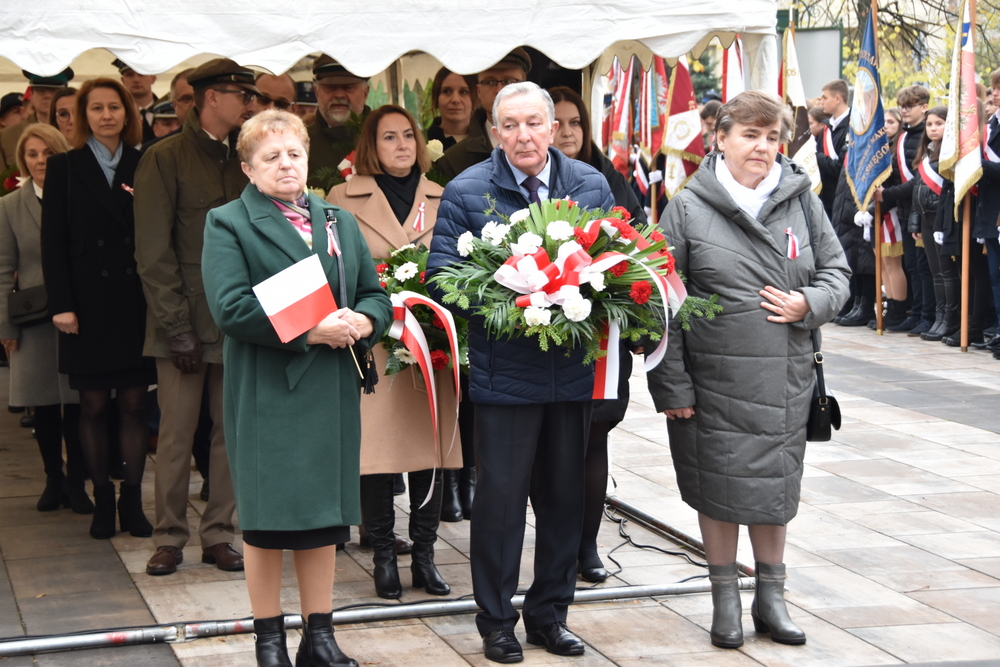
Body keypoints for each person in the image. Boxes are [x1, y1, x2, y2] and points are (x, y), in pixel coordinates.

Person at [647, 90, 850, 650]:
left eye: (772, 137)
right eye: (750, 135)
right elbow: (657, 304)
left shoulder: (800, 199)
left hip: (784, 378)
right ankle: (725, 601)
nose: (762, 148)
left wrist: (808, 302)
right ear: (722, 138)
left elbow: (838, 273)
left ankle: (771, 597)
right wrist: (672, 385)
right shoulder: (687, 208)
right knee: (719, 489)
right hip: (712, 383)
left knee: (774, 489)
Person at [427, 81, 614, 664]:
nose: (523, 135)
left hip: (571, 374)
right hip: (503, 375)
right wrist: (518, 304)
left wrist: (575, 297)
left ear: (555, 128)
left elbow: (616, 264)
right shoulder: (467, 190)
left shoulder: (589, 184)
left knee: (564, 501)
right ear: (495, 132)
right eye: (510, 125)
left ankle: (550, 614)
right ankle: (497, 621)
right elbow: (441, 279)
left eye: (534, 123)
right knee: (501, 506)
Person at [203, 108, 392, 667]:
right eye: (271, 157)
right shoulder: (228, 222)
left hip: (331, 392)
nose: (285, 164)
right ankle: (269, 640)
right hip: (267, 392)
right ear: (248, 167)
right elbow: (230, 308)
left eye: (294, 154)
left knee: (322, 521)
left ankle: (321, 637)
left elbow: (372, 294)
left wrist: (365, 321)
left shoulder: (338, 219)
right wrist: (311, 331)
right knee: (266, 522)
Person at [327, 105, 461, 599]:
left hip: (431, 344)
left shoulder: (443, 196)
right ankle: (384, 556)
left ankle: (424, 558)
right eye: (389, 137)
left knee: (430, 453)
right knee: (377, 456)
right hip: (376, 344)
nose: (402, 145)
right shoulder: (342, 197)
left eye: (409, 135)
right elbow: (335, 270)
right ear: (371, 145)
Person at [134, 58, 256, 576]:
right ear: (212, 97)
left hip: (236, 320)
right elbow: (152, 253)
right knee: (177, 436)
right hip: (181, 323)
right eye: (241, 96)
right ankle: (169, 537)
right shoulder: (166, 158)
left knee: (230, 433)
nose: (249, 105)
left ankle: (219, 533)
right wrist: (175, 326)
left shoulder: (246, 160)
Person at [40, 78, 157, 540]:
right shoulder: (64, 166)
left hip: (133, 303)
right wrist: (62, 305)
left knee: (133, 402)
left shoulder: (143, 161)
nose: (106, 115)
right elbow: (53, 244)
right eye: (96, 108)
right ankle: (102, 501)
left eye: (114, 107)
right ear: (81, 116)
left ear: (128, 114)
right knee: (90, 404)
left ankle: (132, 499)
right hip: (85, 306)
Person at [548, 85, 645, 584]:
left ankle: (587, 546)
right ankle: (553, 545)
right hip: (540, 342)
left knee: (592, 441)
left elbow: (638, 249)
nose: (565, 133)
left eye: (573, 123)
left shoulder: (608, 180)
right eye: (556, 122)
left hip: (599, 342)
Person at [0, 124, 92, 515]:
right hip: (33, 321)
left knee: (79, 405)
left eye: (47, 153)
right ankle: (53, 478)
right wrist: (5, 328)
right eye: (32, 154)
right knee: (43, 406)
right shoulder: (9, 206)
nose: (40, 161)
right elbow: (3, 269)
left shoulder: (80, 196)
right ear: (23, 160)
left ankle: (77, 482)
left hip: (79, 315)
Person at [876, 86, 932, 334]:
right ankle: (917, 313)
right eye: (902, 105)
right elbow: (896, 174)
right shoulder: (903, 137)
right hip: (906, 211)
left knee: (926, 268)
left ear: (924, 107)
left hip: (924, 210)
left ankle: (928, 316)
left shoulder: (924, 137)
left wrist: (887, 194)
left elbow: (918, 180)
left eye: (910, 105)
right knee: (914, 266)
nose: (905, 110)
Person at [433, 49, 531, 181]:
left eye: (508, 81)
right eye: (489, 82)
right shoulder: (454, 160)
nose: (499, 90)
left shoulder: (545, 149)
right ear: (478, 91)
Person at [307, 56, 371, 190]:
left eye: (348, 87)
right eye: (330, 87)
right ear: (316, 92)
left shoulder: (385, 137)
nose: (339, 95)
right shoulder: (299, 142)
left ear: (365, 93)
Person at [1, 68, 74, 167]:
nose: (47, 95)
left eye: (54, 90)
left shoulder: (79, 132)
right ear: (31, 95)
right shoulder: (7, 137)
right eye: (40, 90)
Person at [979, 72, 1000, 359]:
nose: (994, 94)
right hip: (991, 211)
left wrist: (978, 163)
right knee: (995, 275)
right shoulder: (989, 126)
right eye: (994, 88)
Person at [815, 79, 850, 219]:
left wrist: (816, 156)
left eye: (825, 97)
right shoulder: (826, 127)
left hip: (843, 199)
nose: (821, 102)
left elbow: (840, 167)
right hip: (825, 197)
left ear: (837, 99)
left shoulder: (853, 126)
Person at [426, 67, 478, 151]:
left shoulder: (491, 140)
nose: (455, 100)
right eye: (446, 91)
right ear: (436, 97)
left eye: (464, 92)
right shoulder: (421, 141)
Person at [114, 59, 159, 143]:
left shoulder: (170, 111)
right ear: (123, 81)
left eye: (141, 74)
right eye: (130, 75)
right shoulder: (116, 115)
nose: (136, 80)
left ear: (153, 78)